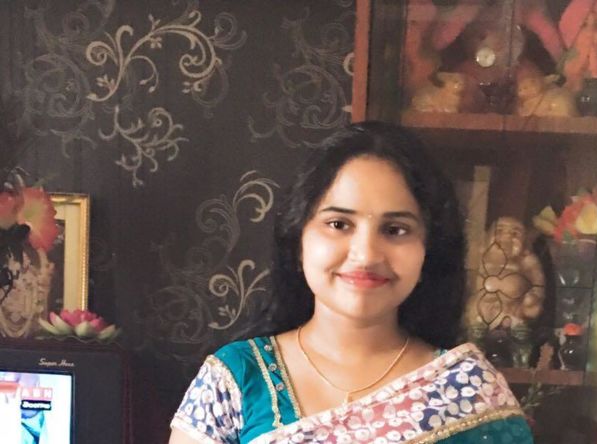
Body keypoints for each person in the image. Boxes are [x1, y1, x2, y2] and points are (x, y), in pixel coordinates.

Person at [169, 121, 533, 443]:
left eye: (395, 229)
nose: (366, 254)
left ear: (429, 250)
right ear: (298, 238)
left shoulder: (470, 392)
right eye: (339, 224)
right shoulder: (235, 379)